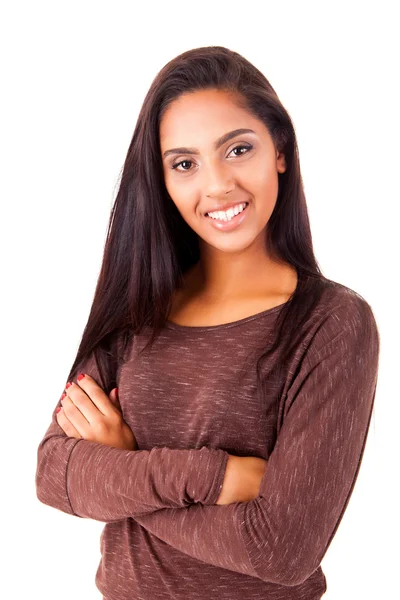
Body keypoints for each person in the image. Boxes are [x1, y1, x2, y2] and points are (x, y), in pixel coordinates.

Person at [35, 46, 380, 600]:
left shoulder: (332, 323)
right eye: (185, 163)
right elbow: (54, 474)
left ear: (281, 151)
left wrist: (123, 471)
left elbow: (282, 550)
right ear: (163, 180)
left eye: (237, 149)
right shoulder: (136, 311)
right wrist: (214, 479)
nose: (216, 186)